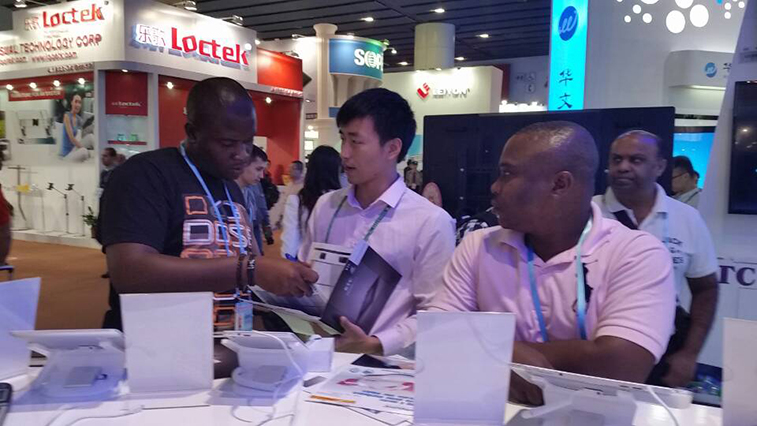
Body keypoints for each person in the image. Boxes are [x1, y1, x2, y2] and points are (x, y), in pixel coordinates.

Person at [428, 122, 676, 405]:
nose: (495, 188)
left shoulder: (637, 253)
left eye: (507, 174)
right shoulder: (479, 246)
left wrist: (497, 353)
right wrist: (506, 354)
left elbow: (621, 366)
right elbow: (437, 340)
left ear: (560, 184)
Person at [100, 77, 317, 329]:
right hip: (156, 344)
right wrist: (248, 270)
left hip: (228, 344)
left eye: (248, 142)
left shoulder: (230, 186)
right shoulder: (146, 174)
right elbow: (129, 272)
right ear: (193, 133)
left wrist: (286, 278)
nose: (241, 154)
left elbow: (250, 266)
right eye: (227, 143)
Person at [299, 88, 456, 356]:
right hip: (318, 356)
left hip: (383, 367)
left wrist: (375, 344)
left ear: (392, 148)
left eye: (355, 142)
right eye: (342, 139)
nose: (344, 153)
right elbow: (307, 281)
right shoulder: (327, 206)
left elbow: (436, 313)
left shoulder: (430, 222)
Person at [594, 130, 719, 388]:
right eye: (616, 159)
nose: (623, 167)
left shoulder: (686, 218)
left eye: (636, 160)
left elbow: (706, 289)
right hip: (595, 348)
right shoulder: (587, 213)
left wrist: (690, 354)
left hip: (663, 354)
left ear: (660, 167)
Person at [281, 146, 342, 260]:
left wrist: (289, 261)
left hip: (305, 262)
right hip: (336, 263)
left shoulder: (297, 200)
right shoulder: (343, 200)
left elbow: (290, 239)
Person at [236, 146, 269, 252]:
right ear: (243, 165)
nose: (261, 176)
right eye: (258, 169)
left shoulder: (250, 189)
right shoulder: (225, 192)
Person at [270, 160, 305, 230]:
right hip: (283, 220)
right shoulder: (289, 185)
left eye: (292, 168)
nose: (289, 170)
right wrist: (278, 218)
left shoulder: (304, 187)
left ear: (300, 171)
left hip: (296, 222)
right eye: (289, 168)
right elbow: (282, 203)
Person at [60, 93, 84, 158]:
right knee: (84, 152)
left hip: (74, 150)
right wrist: (83, 148)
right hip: (67, 154)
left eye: (79, 102)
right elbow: (72, 138)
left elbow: (85, 129)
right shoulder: (67, 116)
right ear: (71, 103)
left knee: (90, 137)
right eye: (76, 102)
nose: (78, 105)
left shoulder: (78, 118)